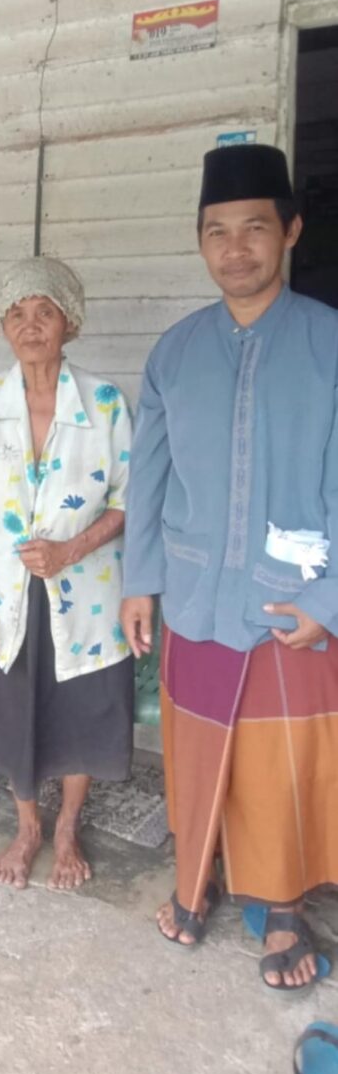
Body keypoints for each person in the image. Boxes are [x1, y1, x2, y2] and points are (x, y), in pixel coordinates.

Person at [120, 144, 338, 994]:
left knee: (283, 764)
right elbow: (149, 477)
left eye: (255, 228)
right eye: (218, 232)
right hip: (196, 592)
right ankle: (197, 874)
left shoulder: (327, 341)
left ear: (289, 231)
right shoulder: (174, 353)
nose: (236, 248)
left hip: (295, 601)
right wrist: (141, 579)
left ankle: (282, 906)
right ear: (199, 242)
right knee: (198, 747)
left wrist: (330, 596)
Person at [0, 258, 134, 891]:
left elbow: (126, 499)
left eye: (45, 313)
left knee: (80, 709)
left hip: (85, 592)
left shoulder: (105, 402)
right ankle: (28, 826)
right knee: (12, 709)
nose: (31, 327)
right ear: (3, 327)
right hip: (5, 592)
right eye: (17, 315)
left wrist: (70, 550)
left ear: (70, 324)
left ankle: (67, 827)